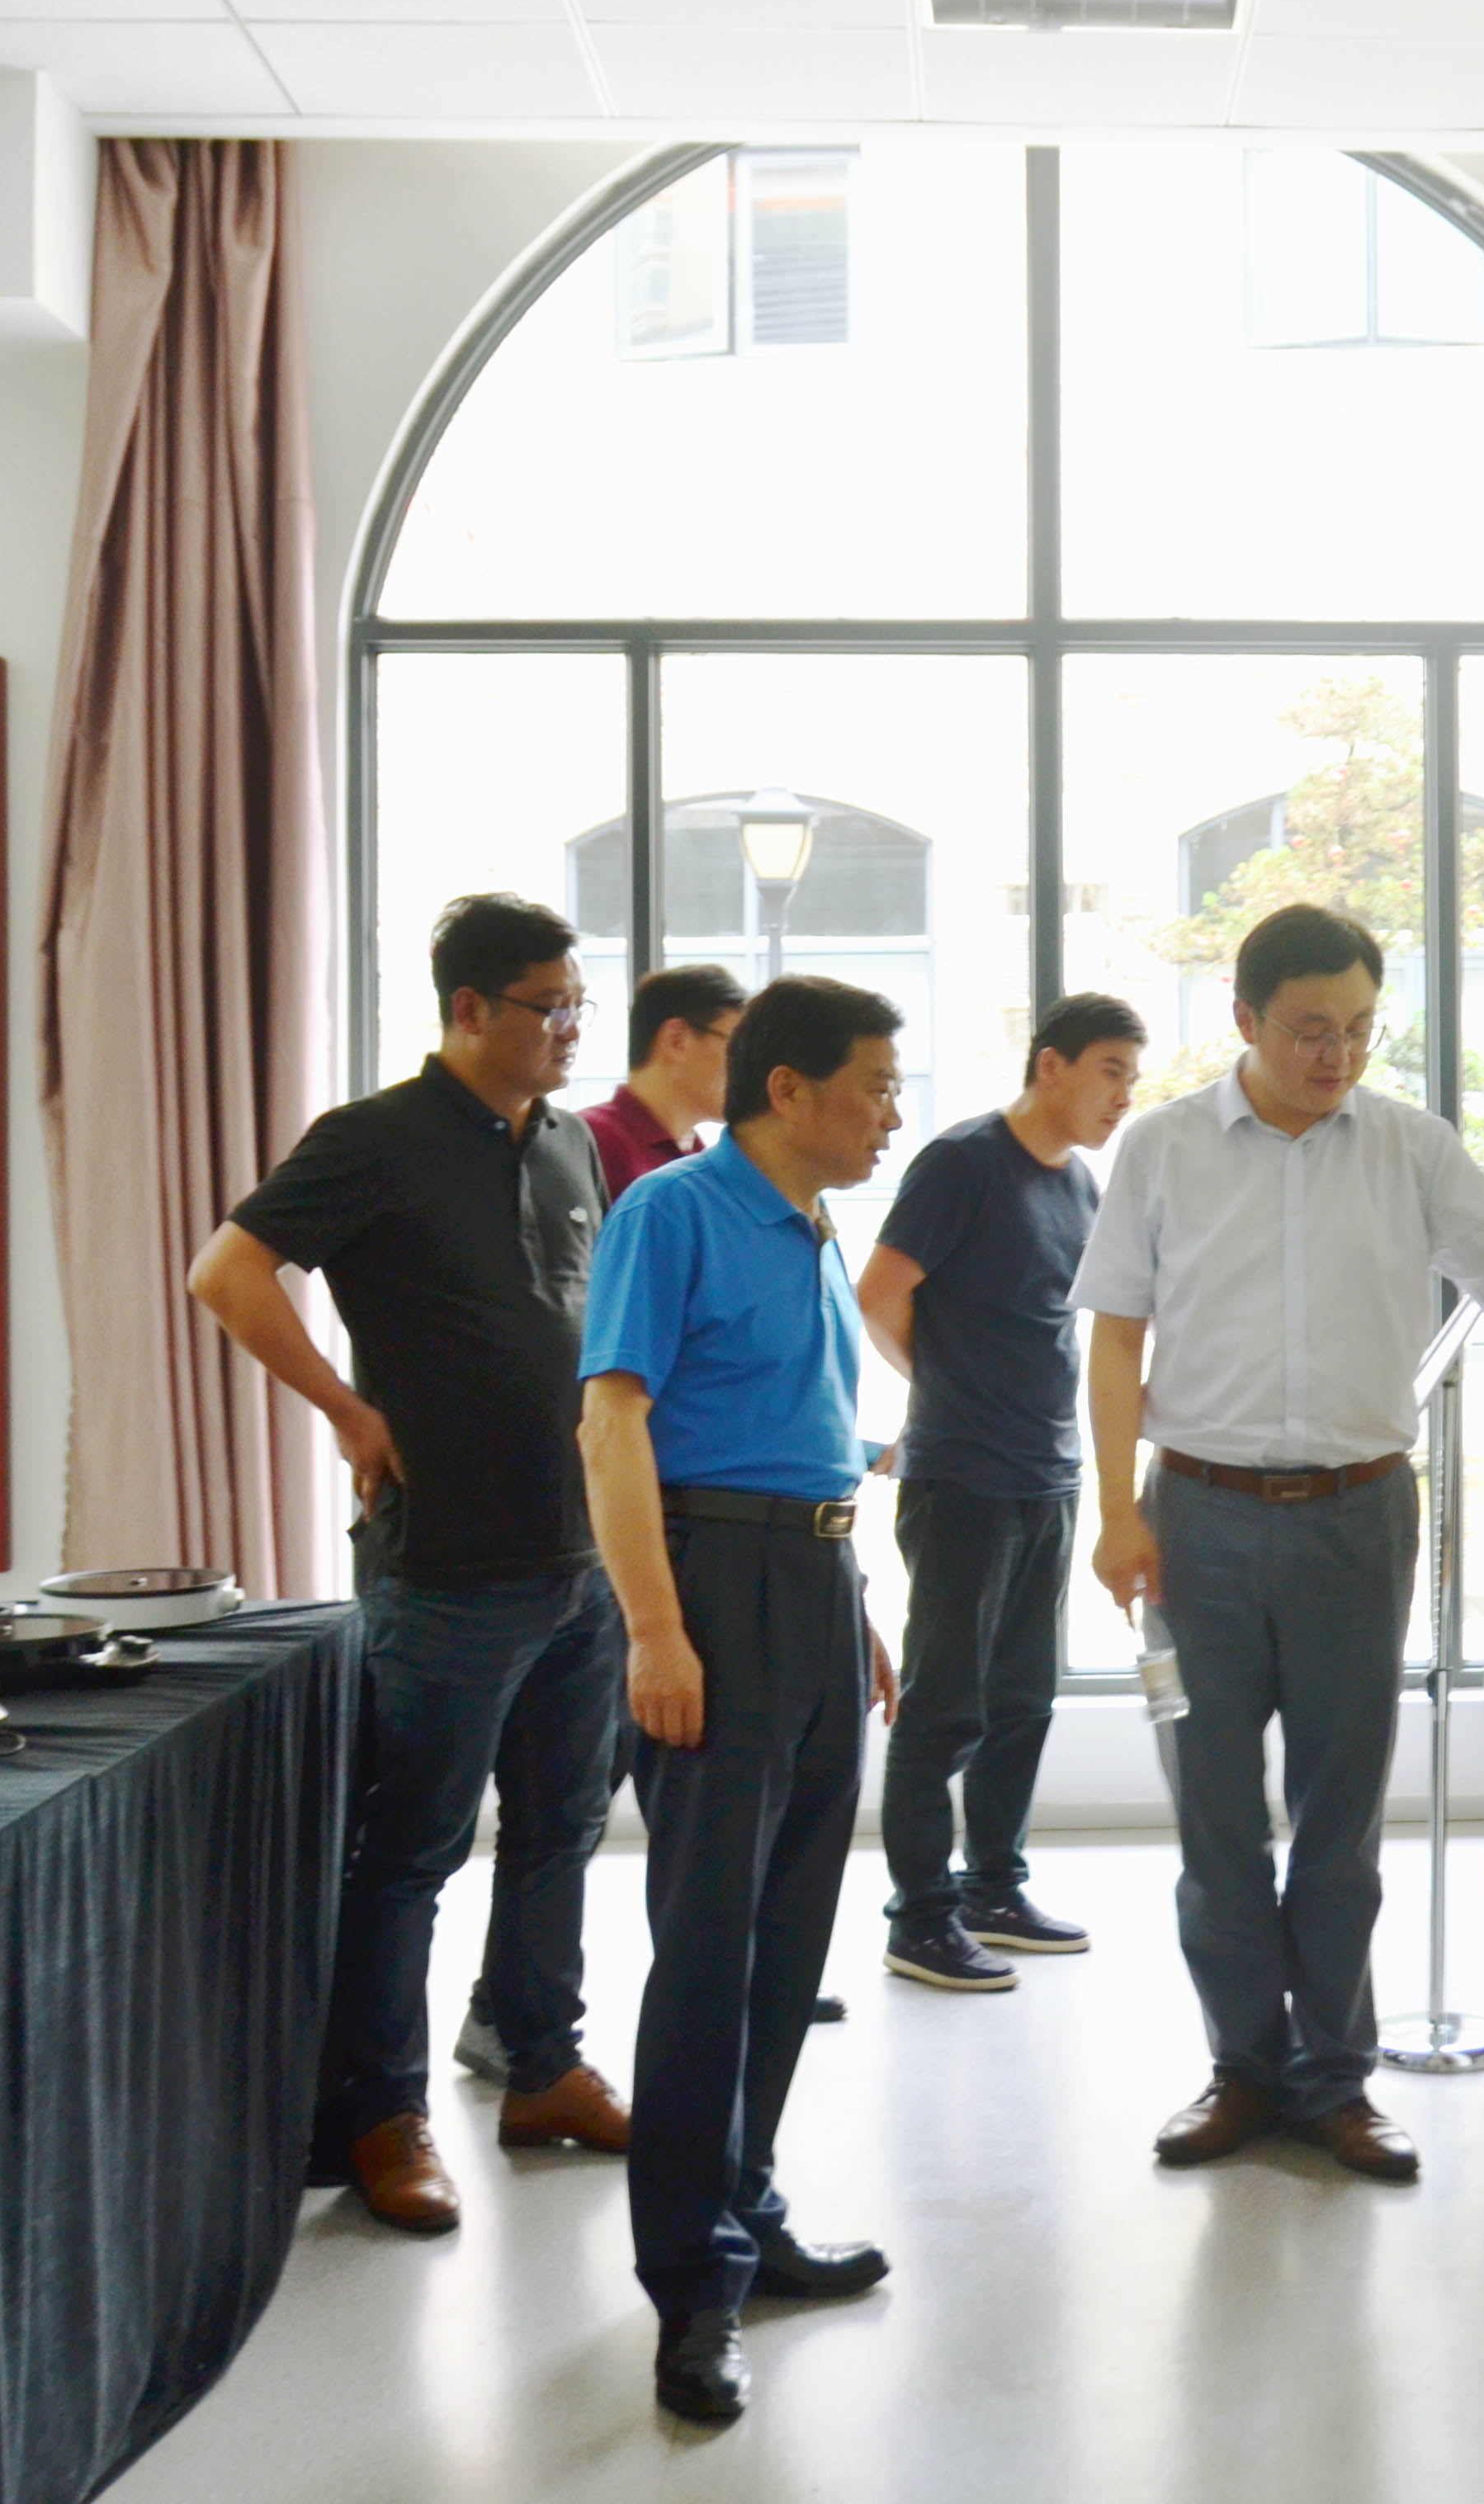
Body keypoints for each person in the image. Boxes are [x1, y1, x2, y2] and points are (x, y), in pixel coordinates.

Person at [1073, 904, 1484, 2183]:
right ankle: (1242, 2070)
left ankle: (1335, 2083)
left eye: (1357, 1030)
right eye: (1308, 1030)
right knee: (1216, 1824)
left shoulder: (1409, 1146)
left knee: (1340, 1825)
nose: (1334, 1056)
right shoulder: (1163, 1149)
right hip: (1197, 1521)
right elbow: (1115, 1336)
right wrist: (1115, 1511)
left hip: (1358, 1518)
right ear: (1243, 1019)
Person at [187, 894, 631, 2240]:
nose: (569, 1027)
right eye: (547, 1005)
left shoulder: (569, 1142)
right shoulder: (373, 1139)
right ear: (467, 1009)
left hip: (583, 1554)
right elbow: (227, 1271)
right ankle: (380, 2113)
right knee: (409, 1850)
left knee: (561, 1827)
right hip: (447, 1565)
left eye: (578, 1003)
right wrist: (344, 1409)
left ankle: (542, 2065)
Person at [579, 975, 909, 2425]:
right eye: (874, 1085)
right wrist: (655, 1630)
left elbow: (804, 1435)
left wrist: (857, 1608)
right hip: (712, 1588)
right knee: (709, 1948)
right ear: (787, 1088)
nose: (890, 1113)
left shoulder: (813, 1225)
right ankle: (689, 2283)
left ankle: (746, 2204)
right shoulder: (673, 1213)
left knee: (787, 1942)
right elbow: (610, 1424)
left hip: (814, 1587)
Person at [855, 991, 1147, 1991]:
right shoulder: (962, 1163)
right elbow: (877, 1296)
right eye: (1109, 1071)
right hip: (963, 1477)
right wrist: (943, 1391)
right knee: (943, 1707)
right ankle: (919, 1918)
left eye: (1132, 1078)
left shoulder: (1080, 1185)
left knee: (1021, 1701)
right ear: (1050, 1065)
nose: (1123, 1096)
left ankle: (992, 1889)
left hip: (1047, 1473)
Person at [585, 962, 745, 1199]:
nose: (748, 1068)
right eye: (737, 1049)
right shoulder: (591, 1141)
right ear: (677, 1040)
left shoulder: (700, 1155)